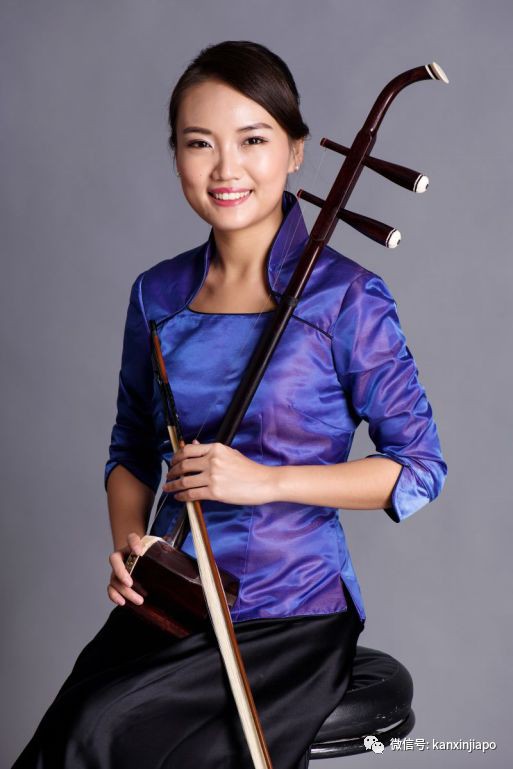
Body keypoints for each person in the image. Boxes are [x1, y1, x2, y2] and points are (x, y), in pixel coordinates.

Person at [12, 40, 447, 769]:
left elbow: (419, 468)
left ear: (296, 151)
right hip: (177, 599)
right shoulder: (157, 293)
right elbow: (131, 446)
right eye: (199, 143)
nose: (225, 168)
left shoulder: (346, 297)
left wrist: (265, 481)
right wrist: (134, 548)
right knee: (64, 742)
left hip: (290, 611)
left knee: (101, 732)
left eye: (252, 140)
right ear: (176, 155)